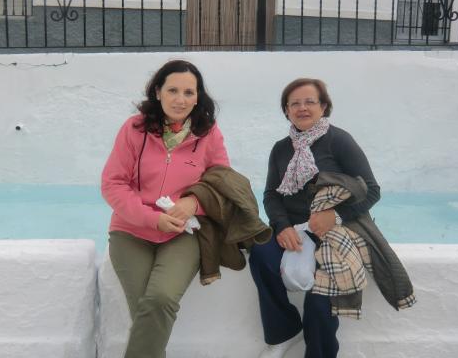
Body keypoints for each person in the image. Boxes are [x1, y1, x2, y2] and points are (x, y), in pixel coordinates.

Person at [101, 59, 229, 358]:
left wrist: (193, 202)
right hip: (131, 231)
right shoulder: (134, 129)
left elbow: (222, 182)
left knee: (159, 299)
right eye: (173, 90)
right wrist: (151, 219)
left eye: (188, 92)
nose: (180, 99)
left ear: (197, 97)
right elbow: (113, 183)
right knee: (145, 308)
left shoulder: (209, 133)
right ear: (158, 92)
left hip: (184, 232)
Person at [249, 78, 380, 358]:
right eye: (294, 103)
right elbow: (271, 194)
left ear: (323, 106)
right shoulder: (281, 148)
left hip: (337, 231)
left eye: (310, 101)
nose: (302, 108)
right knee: (261, 255)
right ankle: (284, 331)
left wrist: (335, 216)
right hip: (295, 229)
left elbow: (371, 190)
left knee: (320, 302)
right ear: (286, 110)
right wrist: (282, 226)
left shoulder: (339, 141)